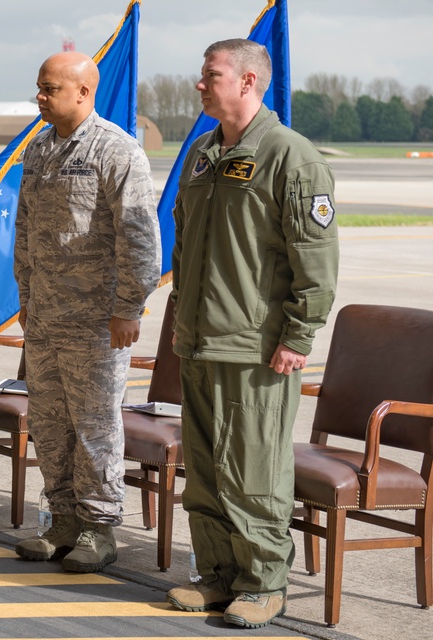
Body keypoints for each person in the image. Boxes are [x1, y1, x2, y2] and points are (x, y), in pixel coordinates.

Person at [165, 39, 339, 628]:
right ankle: (216, 575)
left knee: (254, 471)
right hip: (199, 339)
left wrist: (299, 334)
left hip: (256, 345)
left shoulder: (291, 157)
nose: (199, 84)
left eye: (210, 75)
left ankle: (264, 581)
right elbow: (186, 242)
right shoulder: (204, 154)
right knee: (207, 470)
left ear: (247, 82)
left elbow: (315, 260)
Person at [13, 51, 161, 572]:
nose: (40, 96)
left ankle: (99, 529)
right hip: (47, 318)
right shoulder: (39, 150)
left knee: (95, 428)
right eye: (39, 86)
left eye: (49, 88)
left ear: (83, 92)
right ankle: (62, 521)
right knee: (51, 427)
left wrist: (129, 306)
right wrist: (26, 298)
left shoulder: (116, 151)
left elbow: (140, 239)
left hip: (98, 325)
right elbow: (25, 230)